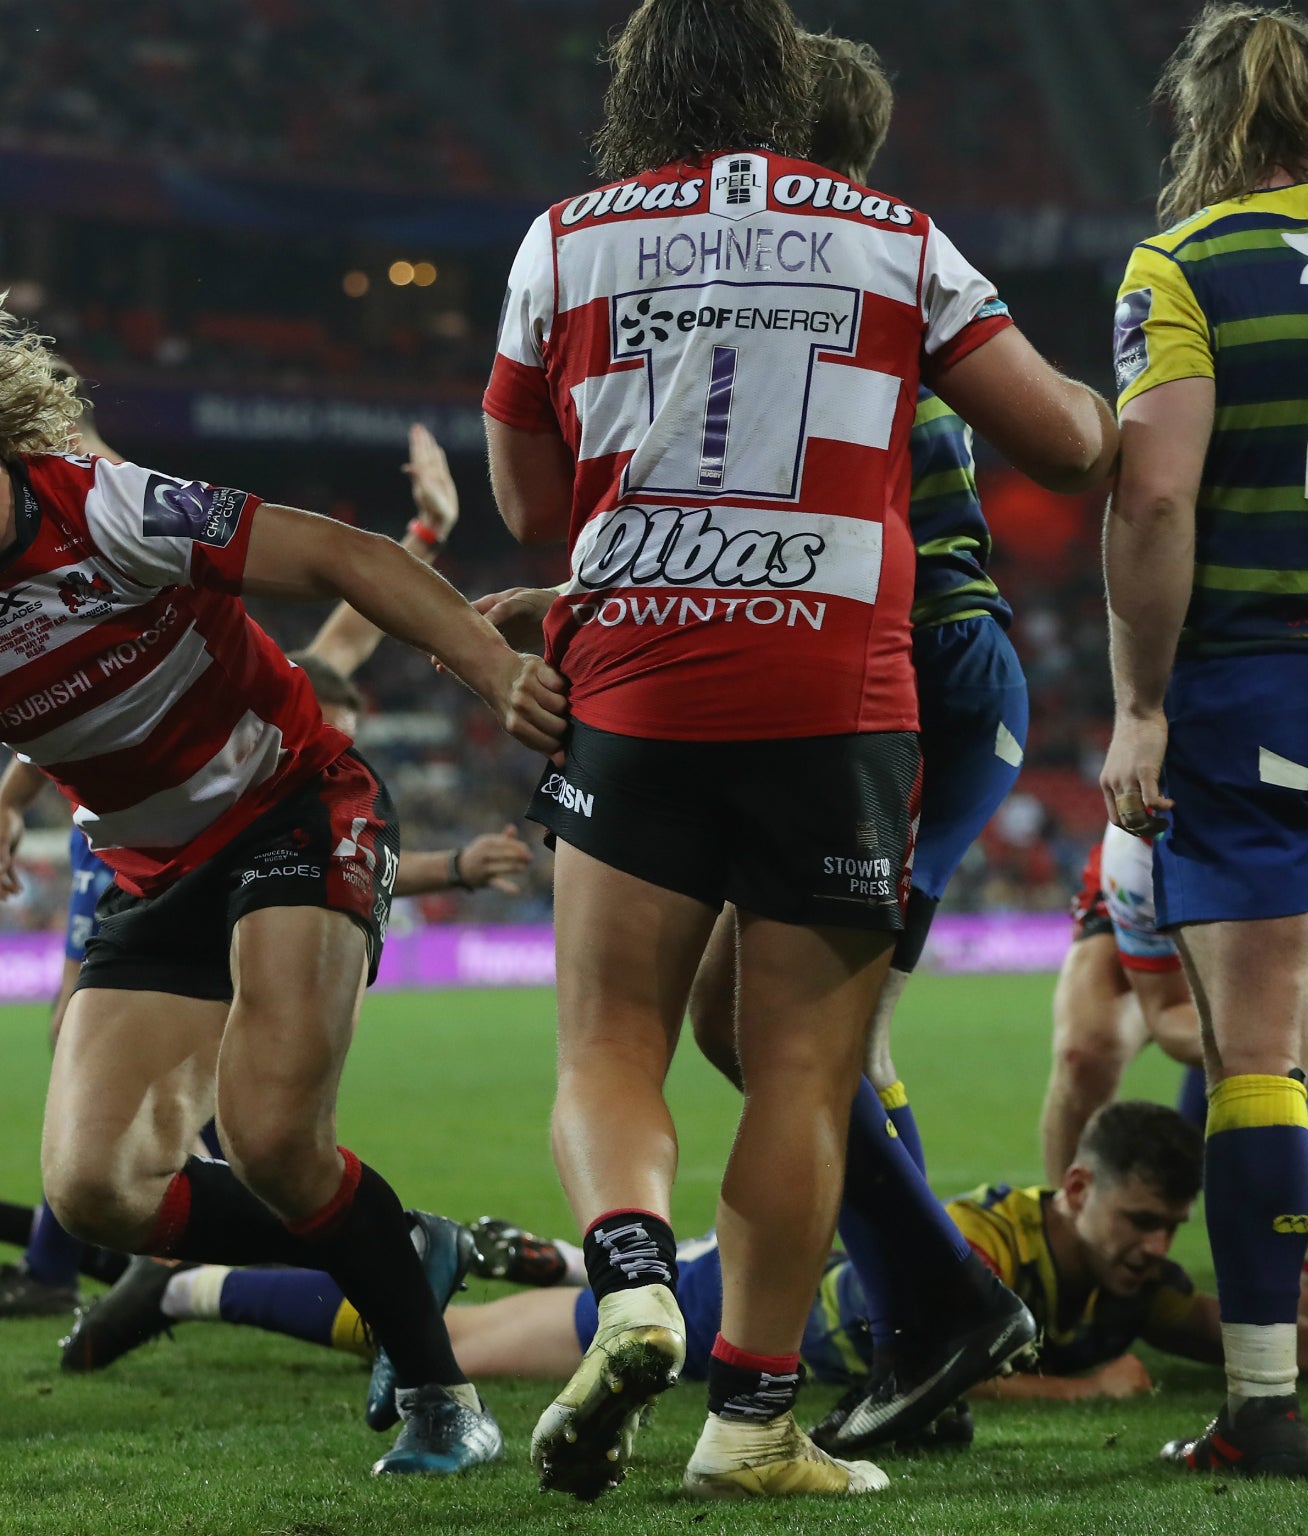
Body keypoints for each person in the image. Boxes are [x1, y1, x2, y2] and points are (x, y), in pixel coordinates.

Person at [0, 289, 566, 1476]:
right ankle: (392, 1241)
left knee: (278, 1142)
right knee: (94, 1189)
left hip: (294, 805)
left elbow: (342, 554)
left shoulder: (107, 509)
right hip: (149, 867)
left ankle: (444, 1398)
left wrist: (490, 672)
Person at [482, 0, 1116, 1498]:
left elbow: (529, 507)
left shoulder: (563, 240)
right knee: (801, 1069)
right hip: (837, 692)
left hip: (634, 684)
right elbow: (1068, 445)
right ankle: (754, 1425)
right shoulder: (892, 235)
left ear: (639, 84)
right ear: (787, 81)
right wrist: (1110, 409)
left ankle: (632, 1277)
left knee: (612, 1043)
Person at [0, 420, 532, 1318]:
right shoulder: (89, 560)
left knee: (244, 1123)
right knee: (134, 1100)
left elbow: (351, 607)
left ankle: (160, 1275)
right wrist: (10, 801)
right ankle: (165, 1267)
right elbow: (61, 687)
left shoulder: (152, 564)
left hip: (242, 854)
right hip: (141, 861)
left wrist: (428, 532)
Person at [1100, 3, 1308, 1477]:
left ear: (1204, 115)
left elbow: (1153, 497)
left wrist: (1141, 704)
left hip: (1264, 686)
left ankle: (1265, 1408)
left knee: (1262, 1053)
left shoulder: (1187, 263)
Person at [68, 1102, 1308, 1412]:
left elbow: (1238, 1339)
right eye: (1138, 1223)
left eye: (1166, 1234)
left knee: (487, 1313)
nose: (1152, 1252)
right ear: (1077, 1187)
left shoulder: (1125, 1279)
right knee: (450, 1348)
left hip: (739, 1265)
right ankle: (183, 1278)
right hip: (712, 1307)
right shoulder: (988, 1247)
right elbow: (883, 1350)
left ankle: (513, 1256)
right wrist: (1079, 1388)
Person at [1041, 831, 1208, 1180]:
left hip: (1277, 854)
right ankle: (1067, 1217)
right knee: (1086, 1053)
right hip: (1157, 860)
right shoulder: (1138, 850)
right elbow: (1168, 1007)